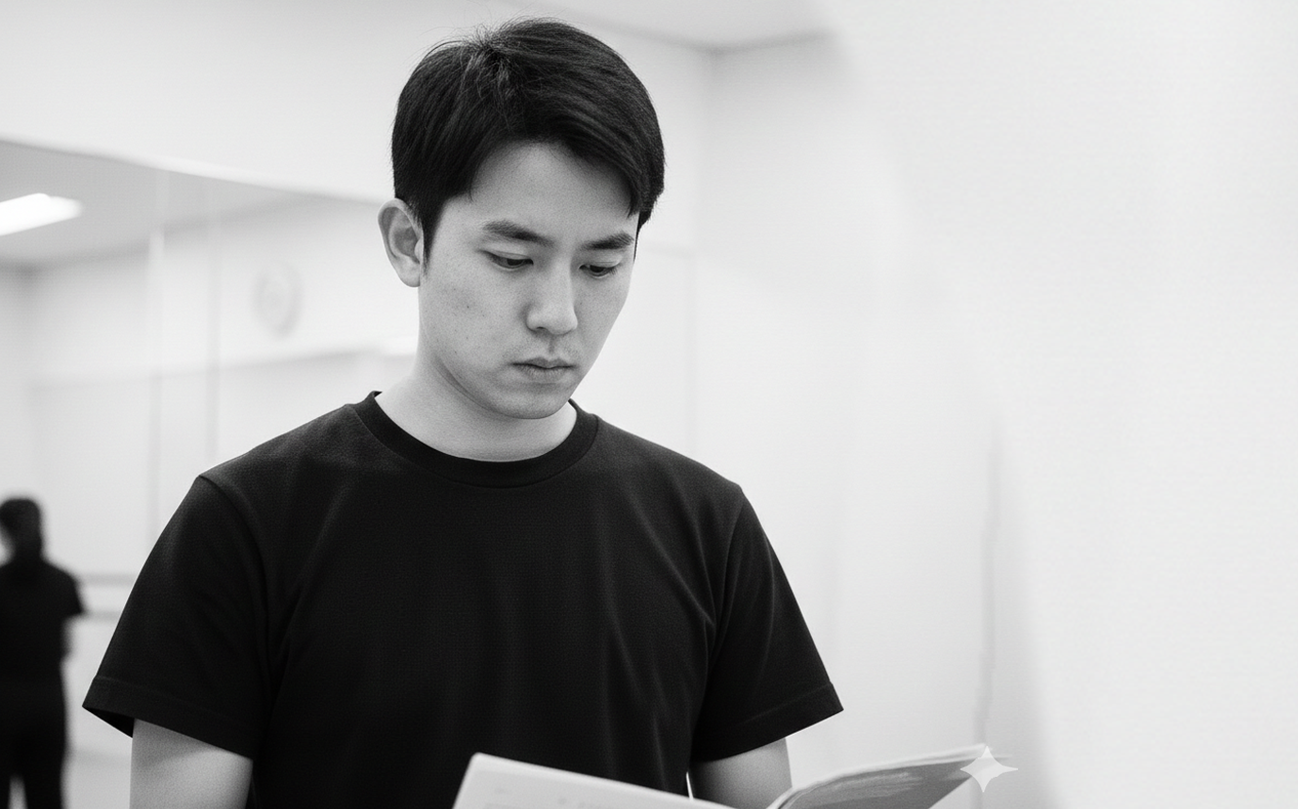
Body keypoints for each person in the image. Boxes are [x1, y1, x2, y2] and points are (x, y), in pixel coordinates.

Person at [83, 17, 841, 809]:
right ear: (409, 242)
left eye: (601, 265)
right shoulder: (245, 524)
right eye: (513, 259)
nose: (559, 313)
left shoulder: (707, 526)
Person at [0, 497, 84, 809]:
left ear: (4, 532)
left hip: (3, 700)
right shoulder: (64, 581)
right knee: (47, 796)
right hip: (48, 703)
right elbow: (67, 647)